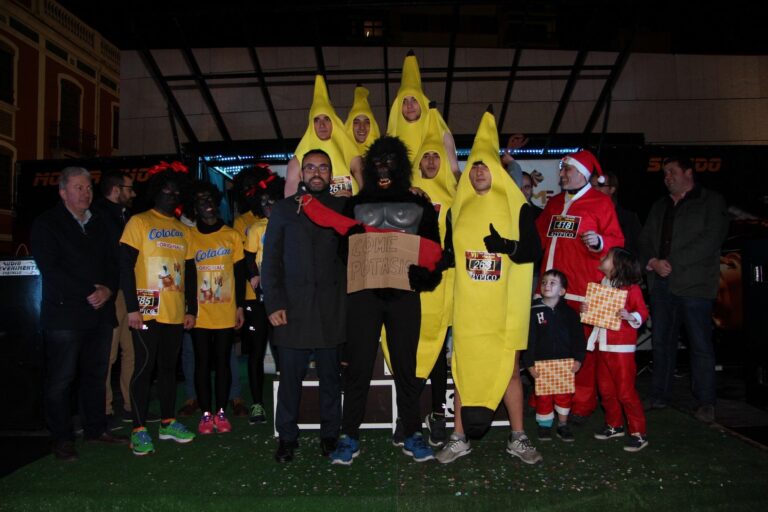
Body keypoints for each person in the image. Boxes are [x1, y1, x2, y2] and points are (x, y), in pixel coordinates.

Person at [328, 136, 443, 465]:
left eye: (390, 161)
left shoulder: (419, 204)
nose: (383, 168)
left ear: (401, 166)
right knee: (358, 367)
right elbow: (341, 250)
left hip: (404, 294)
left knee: (407, 367)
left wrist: (426, 275)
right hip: (364, 295)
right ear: (369, 165)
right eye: (377, 162)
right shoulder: (354, 204)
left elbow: (434, 248)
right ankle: (349, 434)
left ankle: (412, 432)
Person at [435, 110, 542, 465]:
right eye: (474, 165)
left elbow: (532, 251)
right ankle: (459, 437)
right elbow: (450, 257)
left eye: (485, 165)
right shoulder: (457, 209)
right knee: (464, 371)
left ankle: (518, 436)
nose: (479, 171)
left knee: (509, 370)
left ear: (495, 169)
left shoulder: (518, 206)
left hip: (503, 308)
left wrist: (507, 247)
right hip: (468, 309)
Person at [31, 166, 127, 461]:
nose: (85, 193)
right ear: (63, 192)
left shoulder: (101, 223)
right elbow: (51, 269)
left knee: (96, 375)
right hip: (65, 316)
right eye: (78, 188)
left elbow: (115, 262)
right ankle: (62, 438)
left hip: (99, 314)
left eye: (88, 188)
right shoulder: (47, 223)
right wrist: (91, 291)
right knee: (61, 379)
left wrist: (109, 290)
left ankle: (96, 429)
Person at [261, 149, 346, 463]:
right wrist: (274, 303)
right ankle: (287, 438)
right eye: (310, 167)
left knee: (330, 380)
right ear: (301, 174)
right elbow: (270, 262)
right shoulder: (284, 210)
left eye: (323, 167)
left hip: (330, 311)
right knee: (290, 382)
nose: (316, 173)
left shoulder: (342, 207)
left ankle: (329, 437)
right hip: (291, 311)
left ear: (330, 173)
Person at [535, 150, 624, 425]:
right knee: (553, 346)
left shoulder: (601, 203)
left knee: (584, 350)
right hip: (553, 289)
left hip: (590, 290)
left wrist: (599, 242)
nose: (562, 175)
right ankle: (552, 405)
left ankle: (582, 405)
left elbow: (617, 241)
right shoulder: (554, 203)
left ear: (584, 174)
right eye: (562, 170)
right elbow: (538, 236)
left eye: (567, 171)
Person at [638, 156, 729, 423]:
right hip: (662, 284)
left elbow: (711, 239)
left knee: (699, 344)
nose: (667, 177)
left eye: (672, 171)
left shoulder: (711, 201)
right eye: (664, 173)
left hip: (695, 286)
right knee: (662, 342)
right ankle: (659, 394)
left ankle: (705, 401)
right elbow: (644, 240)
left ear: (688, 173)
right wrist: (652, 261)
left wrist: (672, 263)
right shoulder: (659, 205)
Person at [119, 163, 197, 456]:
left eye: (175, 192)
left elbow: (190, 274)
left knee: (167, 369)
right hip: (147, 309)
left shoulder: (183, 230)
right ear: (155, 193)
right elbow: (124, 267)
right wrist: (132, 307)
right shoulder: (139, 222)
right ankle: (138, 429)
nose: (170, 195)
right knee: (144, 366)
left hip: (175, 311)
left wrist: (193, 310)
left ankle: (167, 422)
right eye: (165, 190)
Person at [410, 106, 458, 447]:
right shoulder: (408, 196)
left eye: (435, 156)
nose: (430, 162)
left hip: (447, 283)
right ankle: (409, 414)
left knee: (440, 348)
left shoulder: (456, 195)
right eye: (425, 157)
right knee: (411, 347)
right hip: (416, 284)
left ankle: (439, 413)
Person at [186, 181, 246, 434]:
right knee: (201, 362)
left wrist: (240, 308)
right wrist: (189, 310)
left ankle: (221, 412)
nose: (207, 205)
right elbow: (189, 276)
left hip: (225, 310)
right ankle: (206, 414)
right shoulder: (189, 237)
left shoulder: (232, 235)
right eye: (201, 202)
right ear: (196, 209)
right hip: (200, 312)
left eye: (210, 200)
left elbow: (240, 274)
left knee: (222, 362)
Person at [582, 247, 649, 452]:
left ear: (619, 266)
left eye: (608, 257)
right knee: (606, 389)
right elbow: (594, 315)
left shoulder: (631, 290)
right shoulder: (600, 285)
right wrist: (586, 310)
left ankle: (638, 433)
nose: (603, 258)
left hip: (621, 348)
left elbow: (642, 312)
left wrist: (630, 316)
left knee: (625, 392)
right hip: (602, 345)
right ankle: (615, 424)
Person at [92, 171, 139, 425]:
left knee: (132, 351)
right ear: (115, 188)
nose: (133, 193)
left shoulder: (127, 216)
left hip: (129, 291)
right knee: (107, 354)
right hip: (111, 292)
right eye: (129, 188)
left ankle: (131, 405)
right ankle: (105, 410)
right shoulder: (99, 216)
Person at [243, 166, 286, 424]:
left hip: (282, 298)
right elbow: (248, 256)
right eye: (264, 202)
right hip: (258, 300)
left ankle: (285, 400)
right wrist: (253, 277)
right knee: (256, 351)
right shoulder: (256, 227)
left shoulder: (289, 223)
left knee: (282, 350)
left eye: (273, 201)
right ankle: (257, 404)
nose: (268, 205)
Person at [523, 270, 585, 443]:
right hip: (541, 364)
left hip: (565, 363)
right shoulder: (533, 312)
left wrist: (578, 358)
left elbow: (579, 338)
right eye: (544, 282)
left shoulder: (570, 313)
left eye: (552, 283)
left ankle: (563, 425)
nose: (547, 285)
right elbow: (528, 340)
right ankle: (544, 427)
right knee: (543, 397)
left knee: (564, 395)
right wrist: (529, 363)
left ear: (562, 291)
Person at [285, 75, 363, 197]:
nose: (322, 125)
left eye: (326, 119)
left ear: (333, 122)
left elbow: (364, 194)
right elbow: (290, 202)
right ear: (311, 124)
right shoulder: (297, 161)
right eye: (316, 120)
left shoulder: (351, 153)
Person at [386, 51, 460, 179]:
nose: (409, 105)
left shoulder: (441, 133)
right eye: (405, 101)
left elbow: (454, 171)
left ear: (422, 103)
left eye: (414, 100)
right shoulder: (390, 138)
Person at [590, 171, 642, 254]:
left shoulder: (628, 218)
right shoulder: (584, 214)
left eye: (600, 185)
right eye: (591, 186)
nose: (595, 189)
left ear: (612, 189)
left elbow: (636, 250)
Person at [344, 85, 381, 153]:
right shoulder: (342, 152)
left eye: (366, 122)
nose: (362, 127)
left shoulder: (381, 153)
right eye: (356, 122)